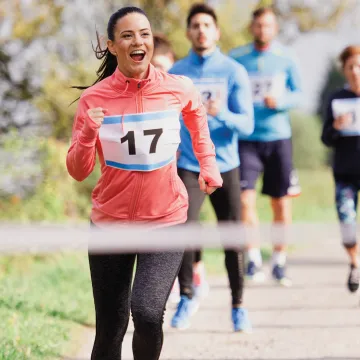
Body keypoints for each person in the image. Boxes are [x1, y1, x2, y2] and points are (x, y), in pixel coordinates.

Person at [66, 6, 222, 360]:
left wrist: (207, 165)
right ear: (112, 46)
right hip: (110, 225)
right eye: (127, 35)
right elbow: (77, 169)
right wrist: (90, 130)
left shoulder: (177, 88)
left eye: (145, 34)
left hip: (166, 220)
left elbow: (197, 118)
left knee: (149, 313)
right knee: (110, 327)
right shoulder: (95, 99)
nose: (139, 41)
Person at [169, 3, 254, 332]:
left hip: (226, 164)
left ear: (216, 32)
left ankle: (239, 306)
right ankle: (188, 296)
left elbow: (247, 125)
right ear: (188, 32)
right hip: (189, 164)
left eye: (207, 25)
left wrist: (221, 113)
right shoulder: (177, 72)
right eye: (195, 25)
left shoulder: (234, 72)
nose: (201, 30)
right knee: (184, 228)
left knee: (232, 236)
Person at [229, 7, 302, 286]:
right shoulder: (237, 58)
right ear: (252, 27)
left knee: (280, 203)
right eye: (258, 26)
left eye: (268, 26)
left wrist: (281, 101)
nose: (262, 30)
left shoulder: (286, 58)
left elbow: (300, 93)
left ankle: (280, 262)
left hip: (278, 138)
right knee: (245, 200)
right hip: (247, 139)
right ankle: (254, 259)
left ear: (275, 29)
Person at [321, 45, 360, 294]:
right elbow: (325, 138)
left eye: (359, 66)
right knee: (346, 221)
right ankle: (355, 264)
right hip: (345, 172)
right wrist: (335, 126)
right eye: (351, 67)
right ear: (344, 70)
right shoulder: (337, 98)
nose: (356, 71)